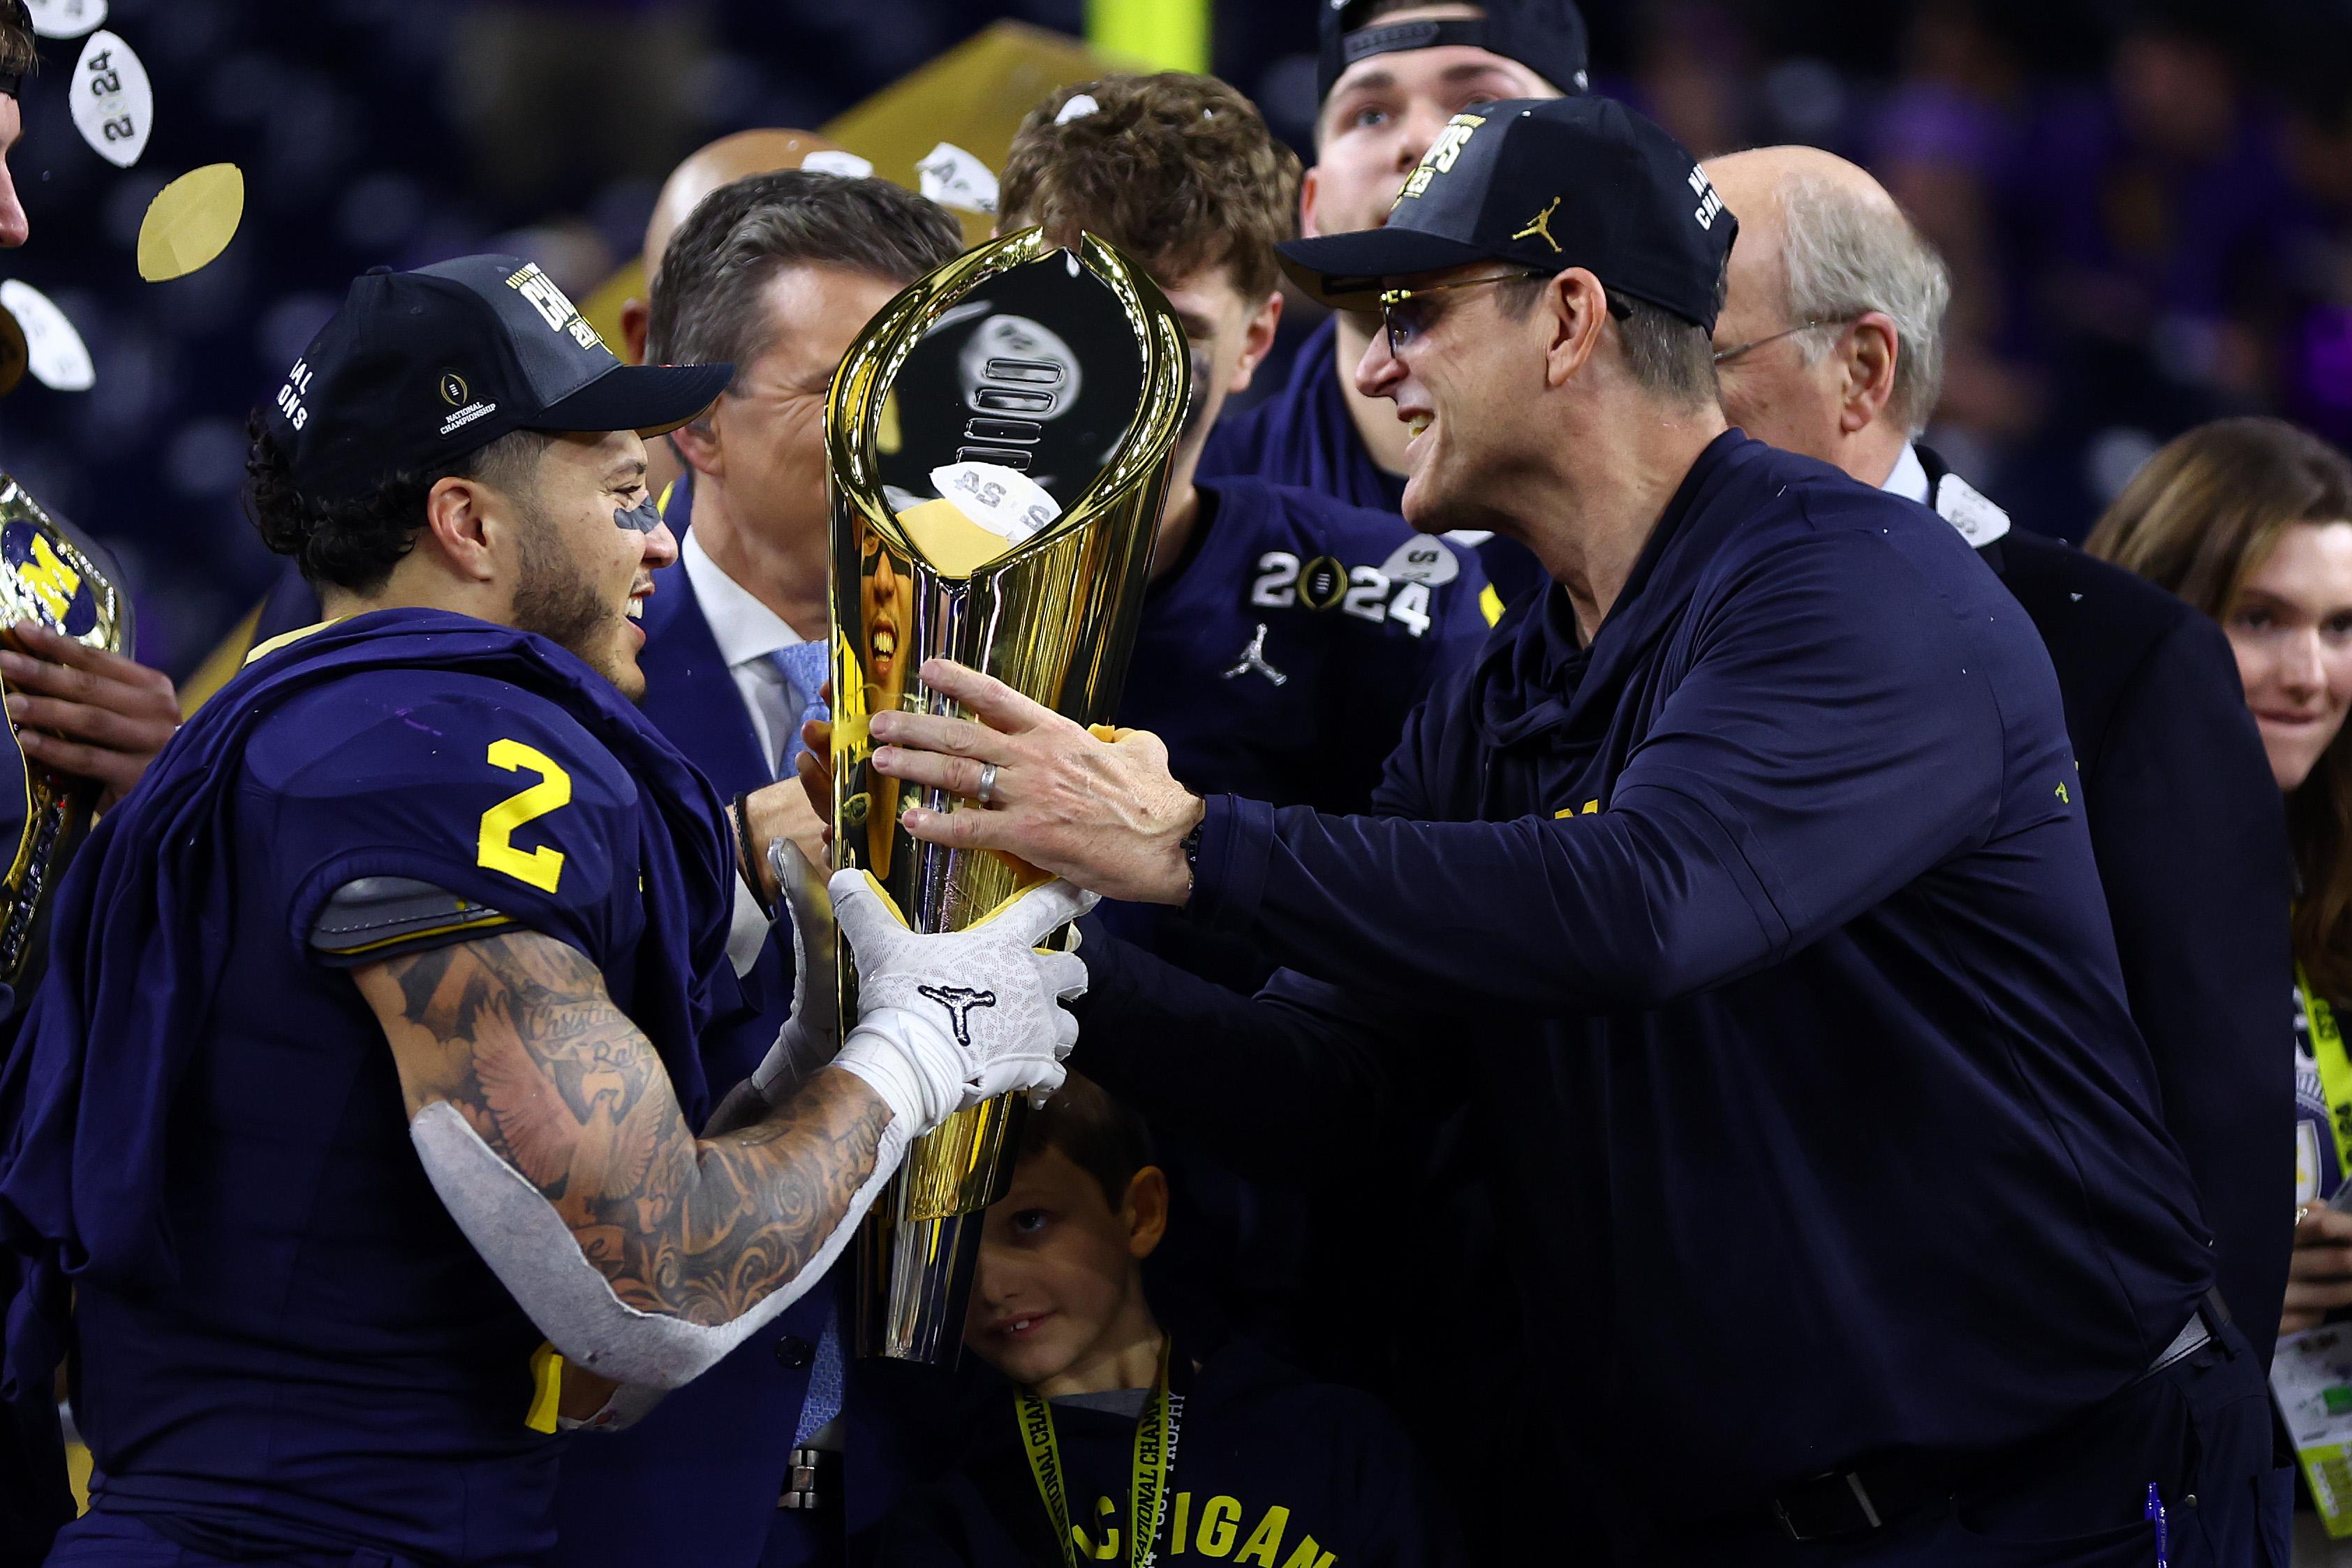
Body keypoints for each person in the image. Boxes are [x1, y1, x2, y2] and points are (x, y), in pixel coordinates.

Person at [857, 96, 2272, 1564]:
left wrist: (1193, 841)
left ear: (1570, 320)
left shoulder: (1848, 579)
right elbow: (1338, 1087)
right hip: (1748, 1524)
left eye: (1416, 309)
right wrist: (1049, 973)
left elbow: (1652, 902)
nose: (1380, 359)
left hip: (2058, 1502)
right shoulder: (1503, 685)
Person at [0, 255, 1092, 1565]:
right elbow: (651, 1285)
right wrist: (922, 1049)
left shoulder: (291, 729)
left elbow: (573, 1294)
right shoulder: (434, 742)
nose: (658, 538)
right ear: (468, 524)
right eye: (624, 491)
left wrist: (817, 1029)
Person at [1702, 146, 2295, 1370]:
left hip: (2050, 1473)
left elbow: (2214, 1111)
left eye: (1688, 359)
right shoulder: (1596, 643)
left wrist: (2183, 1453)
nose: (1640, 406)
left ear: (1859, 371)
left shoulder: (2120, 658)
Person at [985, 72, 1492, 1379]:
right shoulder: (876, 587)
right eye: (1070, 323)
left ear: (1263, 337)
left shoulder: (1392, 604)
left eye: (1171, 337)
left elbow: (1389, 1072)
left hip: (1289, 1332)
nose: (1116, 388)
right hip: (936, 1335)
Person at [548, 168, 966, 1568]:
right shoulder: (554, 698)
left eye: (926, 383)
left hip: (944, 1488)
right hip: (652, 1485)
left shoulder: (1023, 686)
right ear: (690, 421)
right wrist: (734, 913)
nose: (901, 438)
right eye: (847, 385)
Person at [876, 1073, 1465, 1567]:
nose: (990, 1286)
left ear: (1140, 1215)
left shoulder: (1337, 1443)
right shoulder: (948, 1524)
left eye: (1029, 1222)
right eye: (943, 1246)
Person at [2084, 422, 2352, 1345]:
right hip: (2152, 1446)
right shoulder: (2059, 876)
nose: (2309, 675)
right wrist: (2231, 1279)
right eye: (2260, 619)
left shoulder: (2331, 857)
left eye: (2341, 627)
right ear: (2150, 613)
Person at [1197, 0, 1588, 607]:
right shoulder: (1196, 513)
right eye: (1370, 114)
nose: (1422, 141)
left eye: (1478, 105)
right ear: (1312, 208)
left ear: (1594, 164)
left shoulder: (1709, 504)